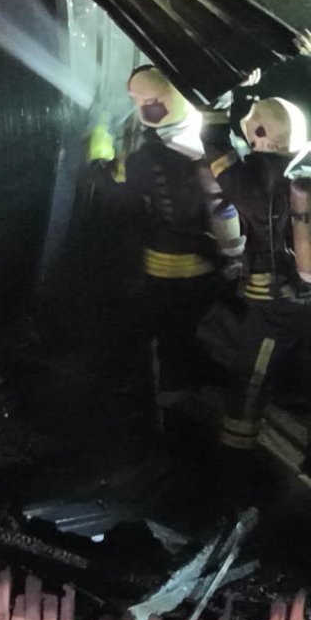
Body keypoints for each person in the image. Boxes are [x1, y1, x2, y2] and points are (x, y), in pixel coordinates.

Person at [201, 27, 311, 490]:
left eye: (252, 124)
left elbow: (214, 138)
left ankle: (233, 470)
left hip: (274, 304)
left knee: (252, 379)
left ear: (262, 136)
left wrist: (229, 92)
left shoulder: (246, 183)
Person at [87, 66, 243, 417]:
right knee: (199, 329)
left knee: (171, 339)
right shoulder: (216, 144)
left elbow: (102, 177)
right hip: (214, 265)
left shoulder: (144, 160)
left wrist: (100, 130)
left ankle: (173, 411)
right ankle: (209, 385)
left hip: (166, 269)